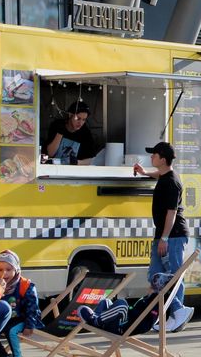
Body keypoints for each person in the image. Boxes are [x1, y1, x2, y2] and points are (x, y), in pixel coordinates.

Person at [133, 141, 194, 332]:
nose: (151, 157)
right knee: (154, 277)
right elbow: (158, 174)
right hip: (163, 234)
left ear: (163, 159)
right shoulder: (165, 175)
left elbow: (171, 212)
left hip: (173, 236)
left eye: (154, 155)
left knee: (172, 277)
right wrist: (144, 173)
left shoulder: (172, 182)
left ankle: (178, 311)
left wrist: (165, 238)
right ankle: (170, 314)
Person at [0, 250, 43, 357]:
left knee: (11, 331)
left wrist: (30, 325)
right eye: (0, 270)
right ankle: (4, 356)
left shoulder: (25, 285)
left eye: (8, 269)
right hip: (6, 319)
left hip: (24, 318)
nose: (4, 273)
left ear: (16, 269)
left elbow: (32, 307)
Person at [78, 272, 174, 336]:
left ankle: (96, 321)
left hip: (124, 327)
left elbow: (146, 323)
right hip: (126, 321)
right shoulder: (150, 299)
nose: (148, 287)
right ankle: (99, 319)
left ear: (156, 289)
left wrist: (130, 310)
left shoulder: (156, 302)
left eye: (151, 286)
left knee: (122, 305)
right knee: (105, 301)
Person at [43, 101, 98, 165]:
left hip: (73, 171)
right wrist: (60, 133)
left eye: (84, 120)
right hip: (54, 168)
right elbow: (50, 153)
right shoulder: (58, 125)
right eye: (78, 118)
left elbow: (92, 159)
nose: (80, 123)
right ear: (70, 115)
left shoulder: (85, 132)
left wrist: (77, 162)